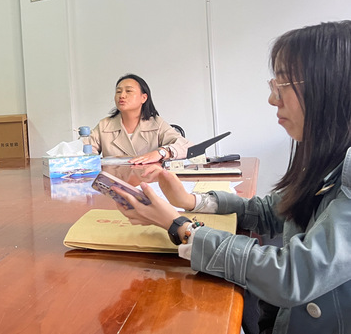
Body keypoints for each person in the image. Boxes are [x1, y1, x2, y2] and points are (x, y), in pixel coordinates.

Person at [113, 21, 351, 334]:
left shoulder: (157, 123)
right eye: (274, 85)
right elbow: (272, 210)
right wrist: (190, 201)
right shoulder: (326, 156)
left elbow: (292, 275)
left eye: (282, 85)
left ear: (329, 88)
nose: (272, 99)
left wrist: (180, 225)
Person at [90, 73, 189, 164]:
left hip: (149, 177)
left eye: (128, 91)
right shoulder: (104, 125)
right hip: (114, 177)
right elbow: (85, 153)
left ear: (144, 98)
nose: (122, 96)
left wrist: (161, 153)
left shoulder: (156, 123)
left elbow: (187, 147)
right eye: (118, 91)